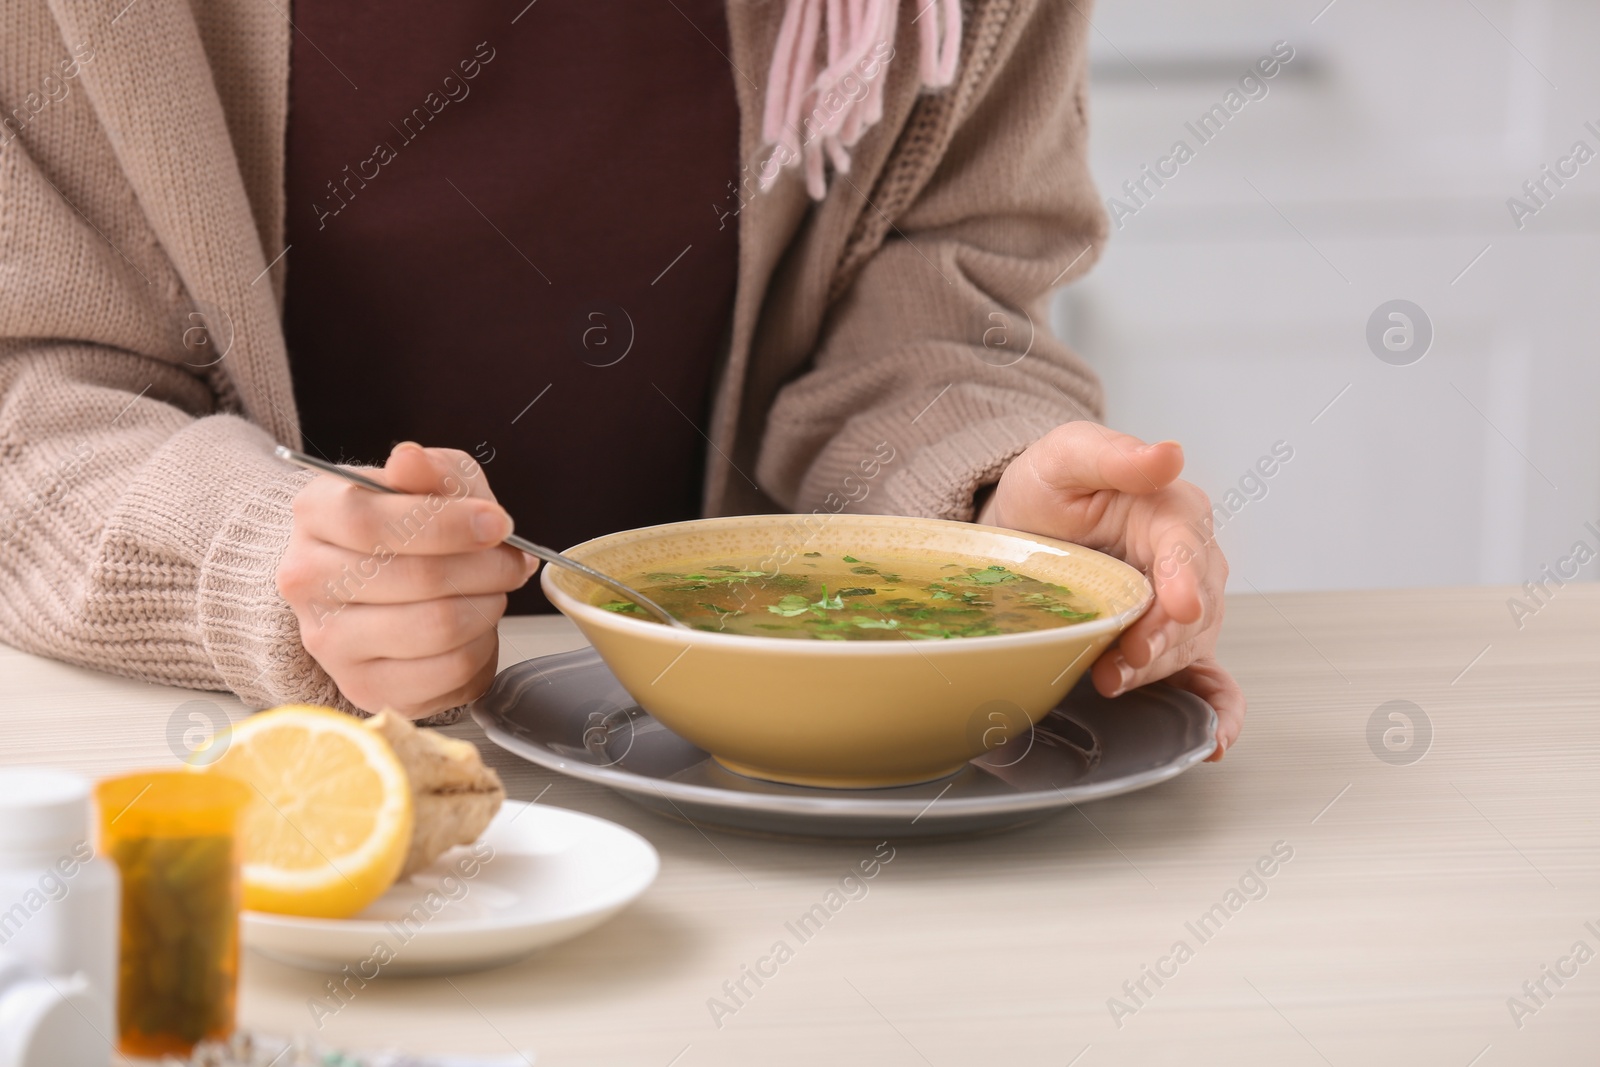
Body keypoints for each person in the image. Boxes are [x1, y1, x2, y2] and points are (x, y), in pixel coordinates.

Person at [0, 0, 1244, 758]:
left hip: (766, 787)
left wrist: (992, 504)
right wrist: (265, 565)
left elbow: (930, 312)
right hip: (248, 777)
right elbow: (36, 391)